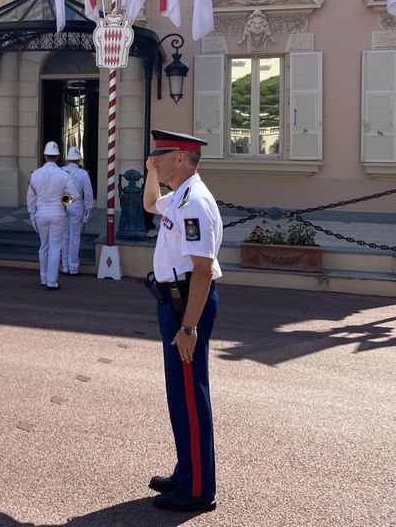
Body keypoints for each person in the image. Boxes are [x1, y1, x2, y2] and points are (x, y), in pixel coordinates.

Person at [142, 129, 221, 513]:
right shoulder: (180, 197)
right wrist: (149, 174)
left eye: (161, 155)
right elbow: (150, 204)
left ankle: (197, 490)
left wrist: (188, 327)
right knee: (180, 395)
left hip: (187, 304)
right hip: (174, 302)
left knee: (191, 397)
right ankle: (186, 471)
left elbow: (203, 271)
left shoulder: (194, 203)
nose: (155, 159)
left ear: (181, 158)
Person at [26, 141, 69, 290]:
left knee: (43, 246)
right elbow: (73, 195)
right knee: (55, 248)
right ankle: (52, 281)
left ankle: (43, 277)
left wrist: (32, 215)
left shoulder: (35, 174)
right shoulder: (63, 174)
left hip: (41, 213)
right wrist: (64, 203)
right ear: (57, 156)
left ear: (44, 156)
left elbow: (30, 200)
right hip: (57, 213)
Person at [60, 146, 94, 276]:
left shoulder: (61, 171)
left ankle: (64, 266)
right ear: (78, 159)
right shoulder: (83, 173)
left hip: (64, 203)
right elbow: (88, 194)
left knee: (64, 236)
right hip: (77, 205)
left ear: (68, 159)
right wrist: (87, 212)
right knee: (75, 237)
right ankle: (73, 267)